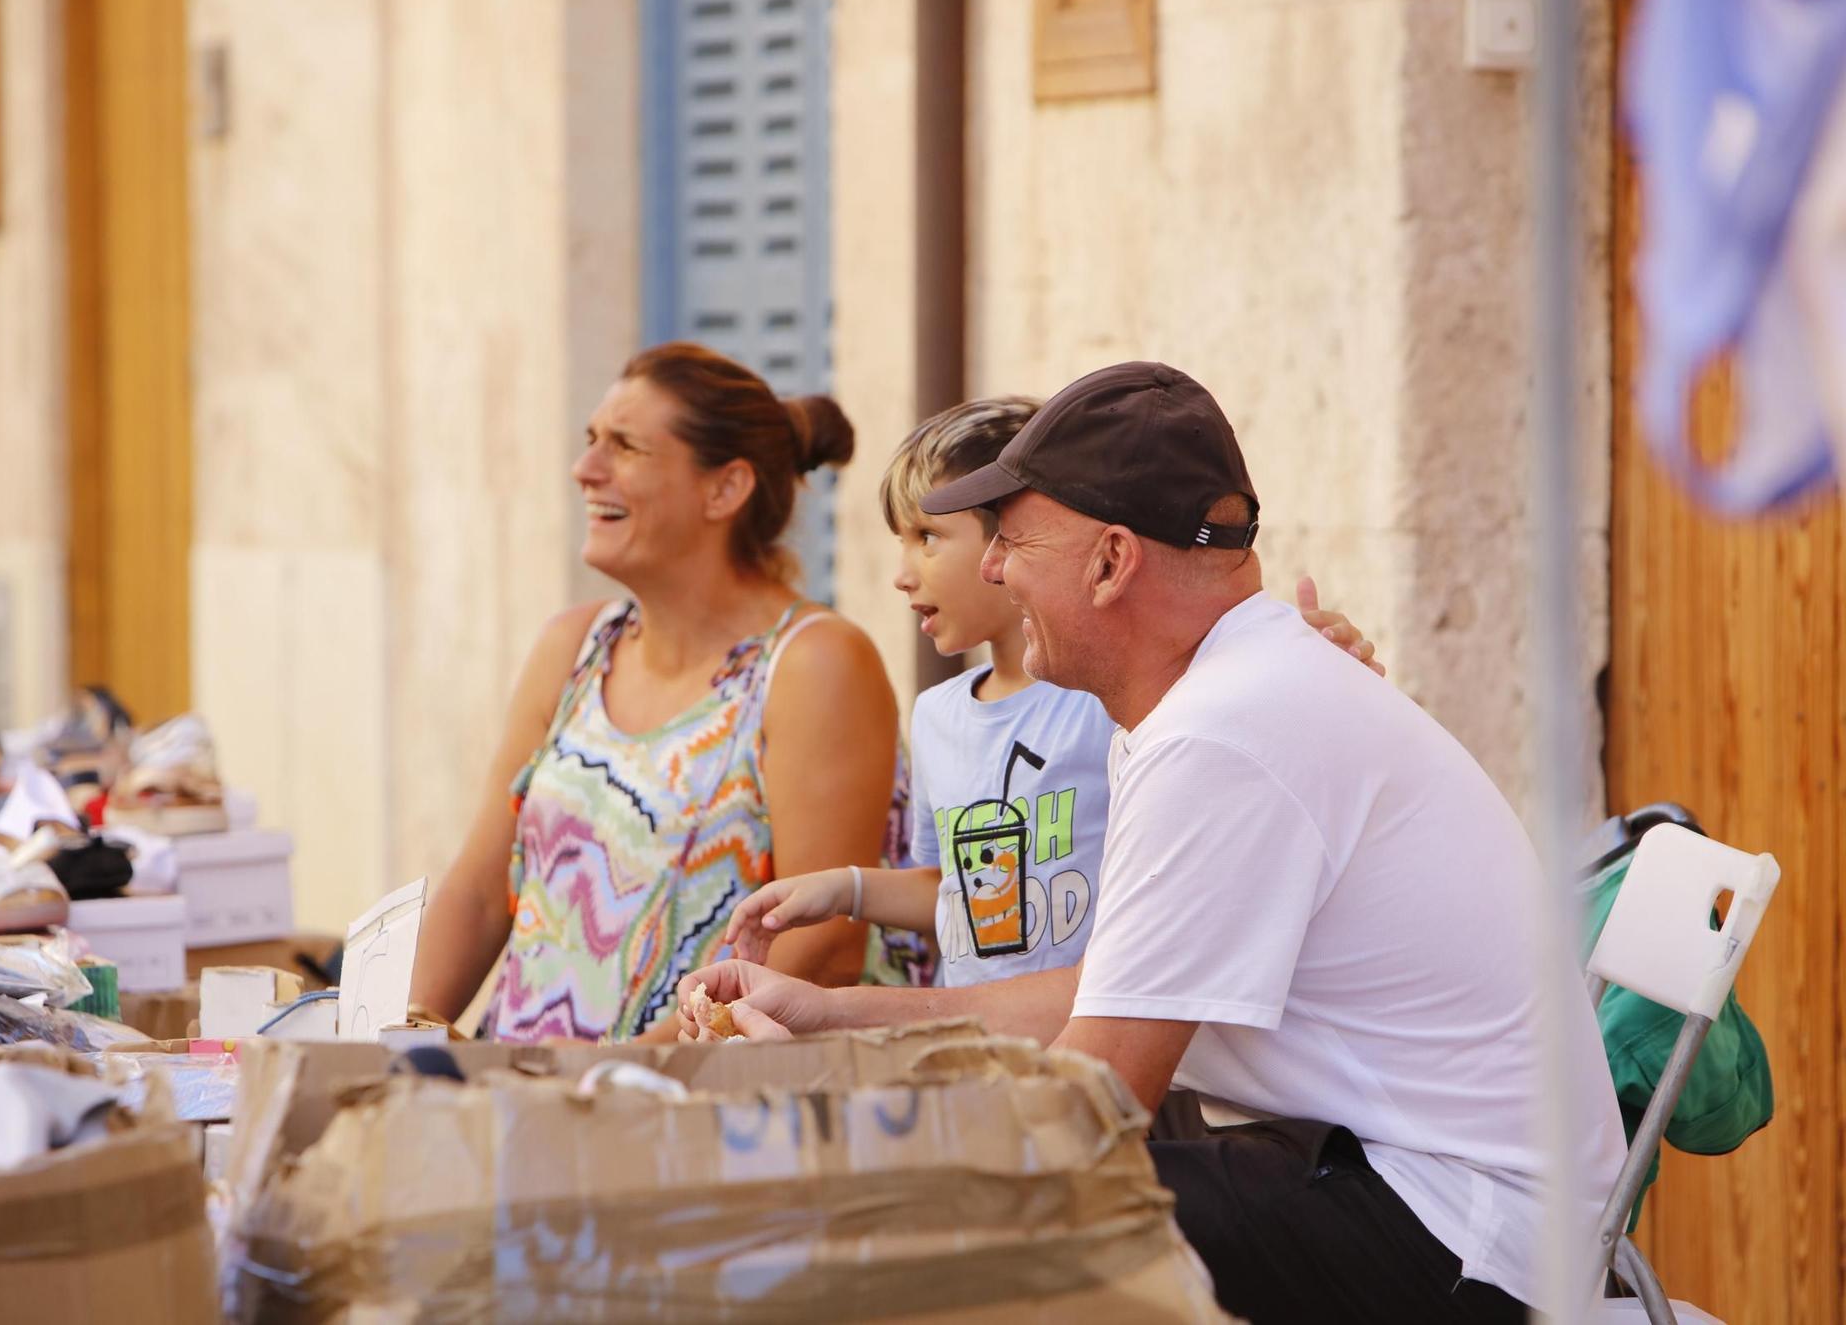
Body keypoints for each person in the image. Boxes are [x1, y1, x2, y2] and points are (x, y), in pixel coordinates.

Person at [680, 362, 1627, 1322]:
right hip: (1409, 1180)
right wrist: (826, 1018)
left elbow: (1092, 1103)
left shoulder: (1222, 730)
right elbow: (1095, 998)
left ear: (1111, 561)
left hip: (1458, 1233)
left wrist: (836, 1125)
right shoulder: (1227, 691)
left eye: (1013, 540)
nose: (997, 568)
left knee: (945, 1227)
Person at [725, 398, 1383, 994]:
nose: (901, 575)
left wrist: (1315, 653)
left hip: (1108, 1037)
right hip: (982, 1054)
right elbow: (958, 890)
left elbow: (1241, 706)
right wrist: (846, 888)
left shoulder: (1114, 698)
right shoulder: (937, 716)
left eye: (927, 538)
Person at [410, 342, 915, 1043]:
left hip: (688, 1120)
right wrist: (401, 1037)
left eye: (625, 447)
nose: (586, 469)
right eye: (591, 441)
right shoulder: (575, 645)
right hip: (523, 1108)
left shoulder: (814, 661)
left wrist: (607, 1085)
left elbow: (823, 948)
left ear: (724, 489)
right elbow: (477, 892)